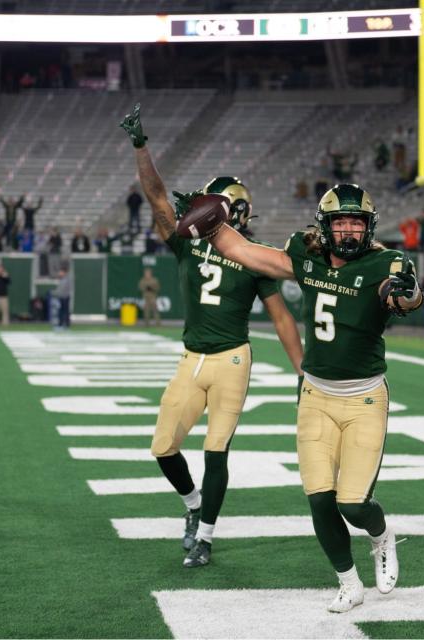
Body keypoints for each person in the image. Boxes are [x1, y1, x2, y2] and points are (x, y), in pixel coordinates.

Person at [203, 181, 424, 613]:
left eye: (355, 223)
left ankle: (381, 537)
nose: (347, 231)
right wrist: (207, 219)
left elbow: (406, 299)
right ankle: (348, 582)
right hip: (315, 395)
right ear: (325, 226)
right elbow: (246, 252)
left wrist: (407, 293)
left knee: (353, 503)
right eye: (339, 222)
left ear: (368, 227)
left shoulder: (387, 263)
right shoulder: (305, 257)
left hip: (363, 399)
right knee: (320, 498)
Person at [120, 103, 304, 570]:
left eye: (210, 204)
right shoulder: (185, 243)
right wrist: (141, 147)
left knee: (216, 449)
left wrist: (302, 370)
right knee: (163, 447)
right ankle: (193, 504)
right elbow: (157, 195)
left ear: (234, 212)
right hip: (192, 358)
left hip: (233, 360)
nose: (198, 210)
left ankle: (205, 537)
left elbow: (281, 317)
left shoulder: (257, 255)